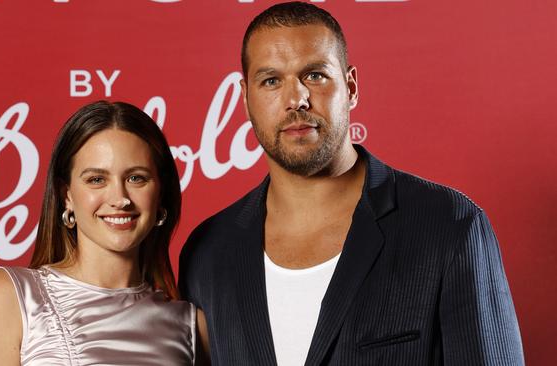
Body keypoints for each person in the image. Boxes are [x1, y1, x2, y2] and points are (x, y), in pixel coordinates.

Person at [179, 2, 524, 365]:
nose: (296, 99)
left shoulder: (448, 225)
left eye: (314, 75)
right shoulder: (210, 252)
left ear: (351, 86)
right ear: (246, 98)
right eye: (271, 81)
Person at [0, 101, 208, 365]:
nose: (120, 198)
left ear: (160, 194)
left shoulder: (192, 326)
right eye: (96, 180)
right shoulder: (13, 296)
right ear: (66, 195)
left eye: (136, 178)